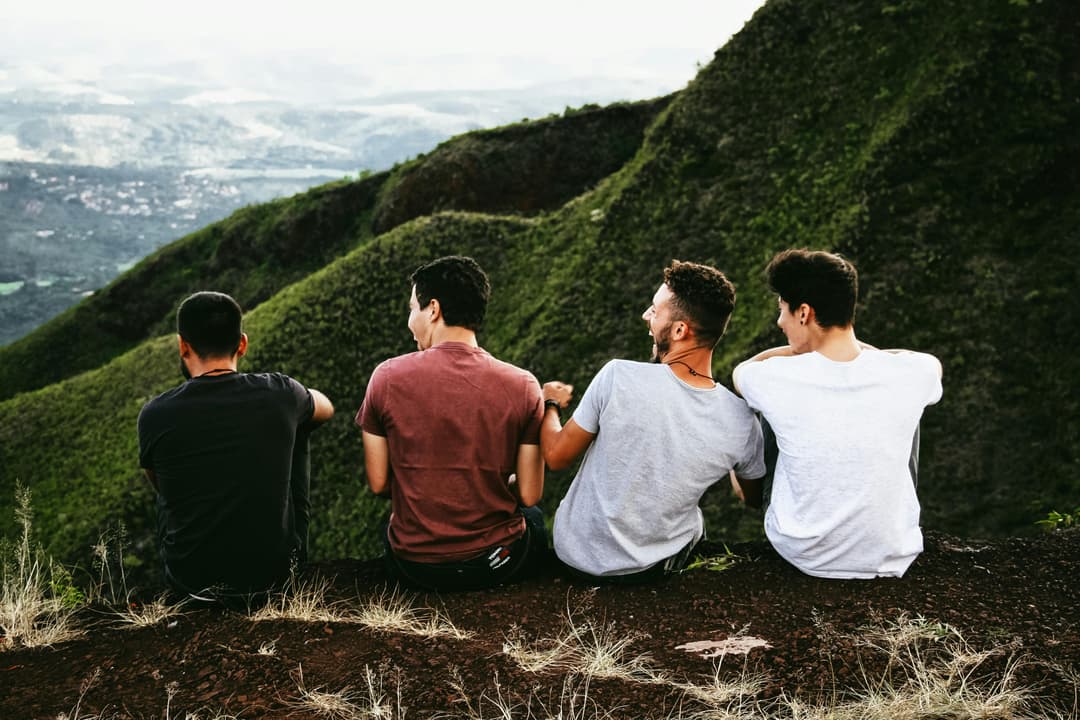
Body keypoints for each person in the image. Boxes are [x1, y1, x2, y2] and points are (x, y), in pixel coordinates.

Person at [542, 260, 766, 583]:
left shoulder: (617, 376)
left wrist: (550, 403)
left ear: (679, 330)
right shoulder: (741, 421)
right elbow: (751, 498)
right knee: (695, 520)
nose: (646, 316)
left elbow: (556, 456)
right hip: (650, 569)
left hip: (575, 557)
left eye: (654, 310)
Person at [732, 249, 943, 579]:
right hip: (890, 553)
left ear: (804, 313)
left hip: (803, 551)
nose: (779, 322)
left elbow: (742, 372)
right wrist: (861, 354)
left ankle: (758, 501)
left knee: (765, 409)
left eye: (782, 311)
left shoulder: (774, 376)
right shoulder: (914, 373)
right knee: (906, 407)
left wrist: (796, 351)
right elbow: (925, 362)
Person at [357, 255, 548, 591]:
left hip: (414, 567)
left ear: (433, 309)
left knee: (391, 531)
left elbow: (379, 483)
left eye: (412, 309)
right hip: (494, 564)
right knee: (533, 519)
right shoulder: (524, 385)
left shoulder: (386, 377)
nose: (409, 321)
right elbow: (530, 493)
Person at [138, 291, 334, 604]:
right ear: (242, 343)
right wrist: (292, 401)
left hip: (191, 583)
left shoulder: (154, 414)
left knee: (171, 484)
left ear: (182, 345)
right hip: (272, 579)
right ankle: (295, 561)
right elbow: (326, 408)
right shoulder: (280, 392)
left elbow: (161, 486)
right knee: (300, 426)